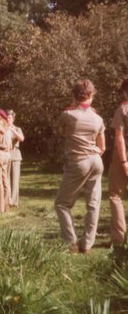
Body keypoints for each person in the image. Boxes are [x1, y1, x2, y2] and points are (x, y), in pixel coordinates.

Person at [54, 80, 105, 254]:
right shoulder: (98, 118)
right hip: (96, 161)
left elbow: (61, 132)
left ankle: (70, 242)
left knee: (62, 203)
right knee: (93, 204)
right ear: (92, 95)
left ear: (74, 95)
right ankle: (87, 244)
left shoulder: (67, 115)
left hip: (78, 161)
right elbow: (102, 146)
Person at [108, 78, 128, 246]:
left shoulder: (122, 109)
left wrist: (123, 161)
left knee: (116, 195)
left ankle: (119, 239)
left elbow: (119, 138)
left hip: (123, 154)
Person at [0, 109, 11, 213]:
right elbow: (10, 145)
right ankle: (6, 206)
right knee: (5, 181)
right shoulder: (8, 128)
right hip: (7, 155)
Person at [6, 110, 25, 207]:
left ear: (13, 119)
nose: (7, 119)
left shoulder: (17, 129)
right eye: (6, 117)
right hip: (5, 154)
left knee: (15, 179)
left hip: (15, 155)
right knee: (6, 179)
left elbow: (22, 138)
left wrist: (12, 130)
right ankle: (7, 200)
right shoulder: (3, 128)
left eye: (9, 118)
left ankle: (14, 201)